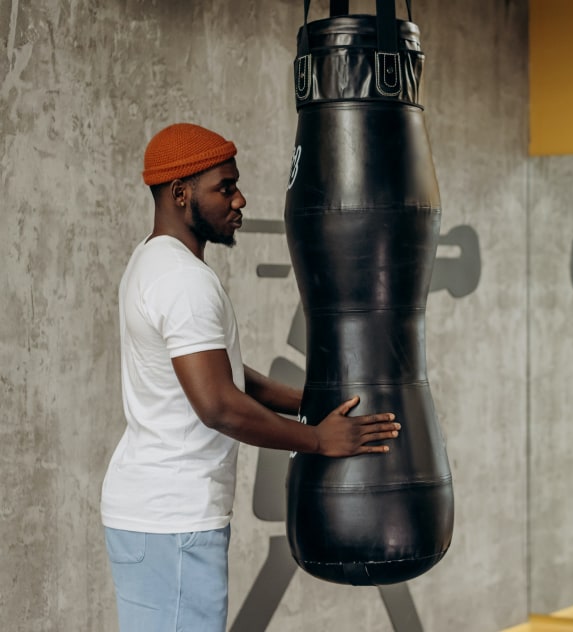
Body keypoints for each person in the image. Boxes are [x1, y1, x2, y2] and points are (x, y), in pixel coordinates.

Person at [100, 123, 402, 632]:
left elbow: (218, 373)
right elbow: (218, 405)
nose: (239, 199)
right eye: (225, 187)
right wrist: (318, 440)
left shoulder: (150, 260)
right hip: (172, 520)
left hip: (151, 515)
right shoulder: (183, 280)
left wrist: (309, 403)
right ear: (180, 193)